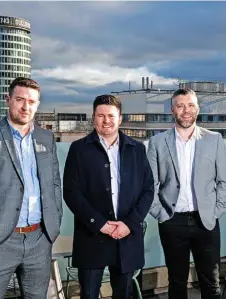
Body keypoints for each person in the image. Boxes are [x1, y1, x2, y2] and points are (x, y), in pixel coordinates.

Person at [0, 77, 63, 298]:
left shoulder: (46, 138)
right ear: (8, 100)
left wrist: (53, 226)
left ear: (37, 104)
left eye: (32, 101)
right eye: (19, 99)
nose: (26, 107)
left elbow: (54, 183)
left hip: (39, 239)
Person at [63, 94, 154, 299]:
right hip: (92, 235)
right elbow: (71, 192)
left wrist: (129, 224)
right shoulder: (78, 149)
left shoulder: (137, 149)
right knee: (89, 295)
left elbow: (148, 189)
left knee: (124, 294)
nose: (106, 120)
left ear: (120, 118)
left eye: (111, 116)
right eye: (101, 115)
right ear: (93, 118)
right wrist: (100, 224)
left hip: (126, 236)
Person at [147, 88, 226, 299]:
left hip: (206, 221)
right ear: (172, 109)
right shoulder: (157, 142)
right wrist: (160, 214)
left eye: (191, 105)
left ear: (198, 109)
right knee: (176, 281)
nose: (186, 110)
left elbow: (225, 182)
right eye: (180, 105)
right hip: (172, 220)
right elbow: (149, 185)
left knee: (211, 281)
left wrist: (215, 212)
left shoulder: (214, 139)